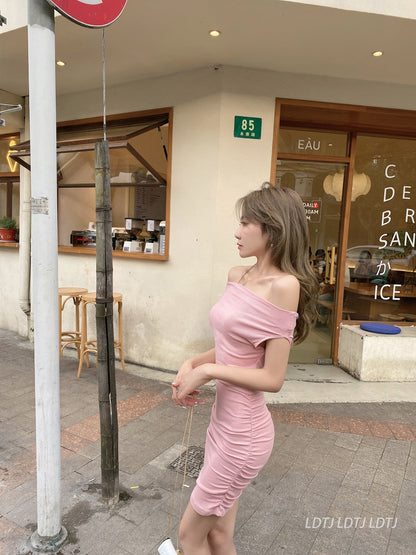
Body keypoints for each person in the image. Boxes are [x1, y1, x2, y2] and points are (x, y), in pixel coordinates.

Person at [171, 183, 318, 555]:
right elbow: (229, 347)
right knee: (218, 536)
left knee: (189, 536)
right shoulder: (237, 275)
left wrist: (210, 373)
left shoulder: (284, 286)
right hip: (221, 427)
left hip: (244, 438)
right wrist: (193, 363)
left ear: (274, 228)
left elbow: (273, 378)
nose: (237, 232)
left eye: (247, 223)